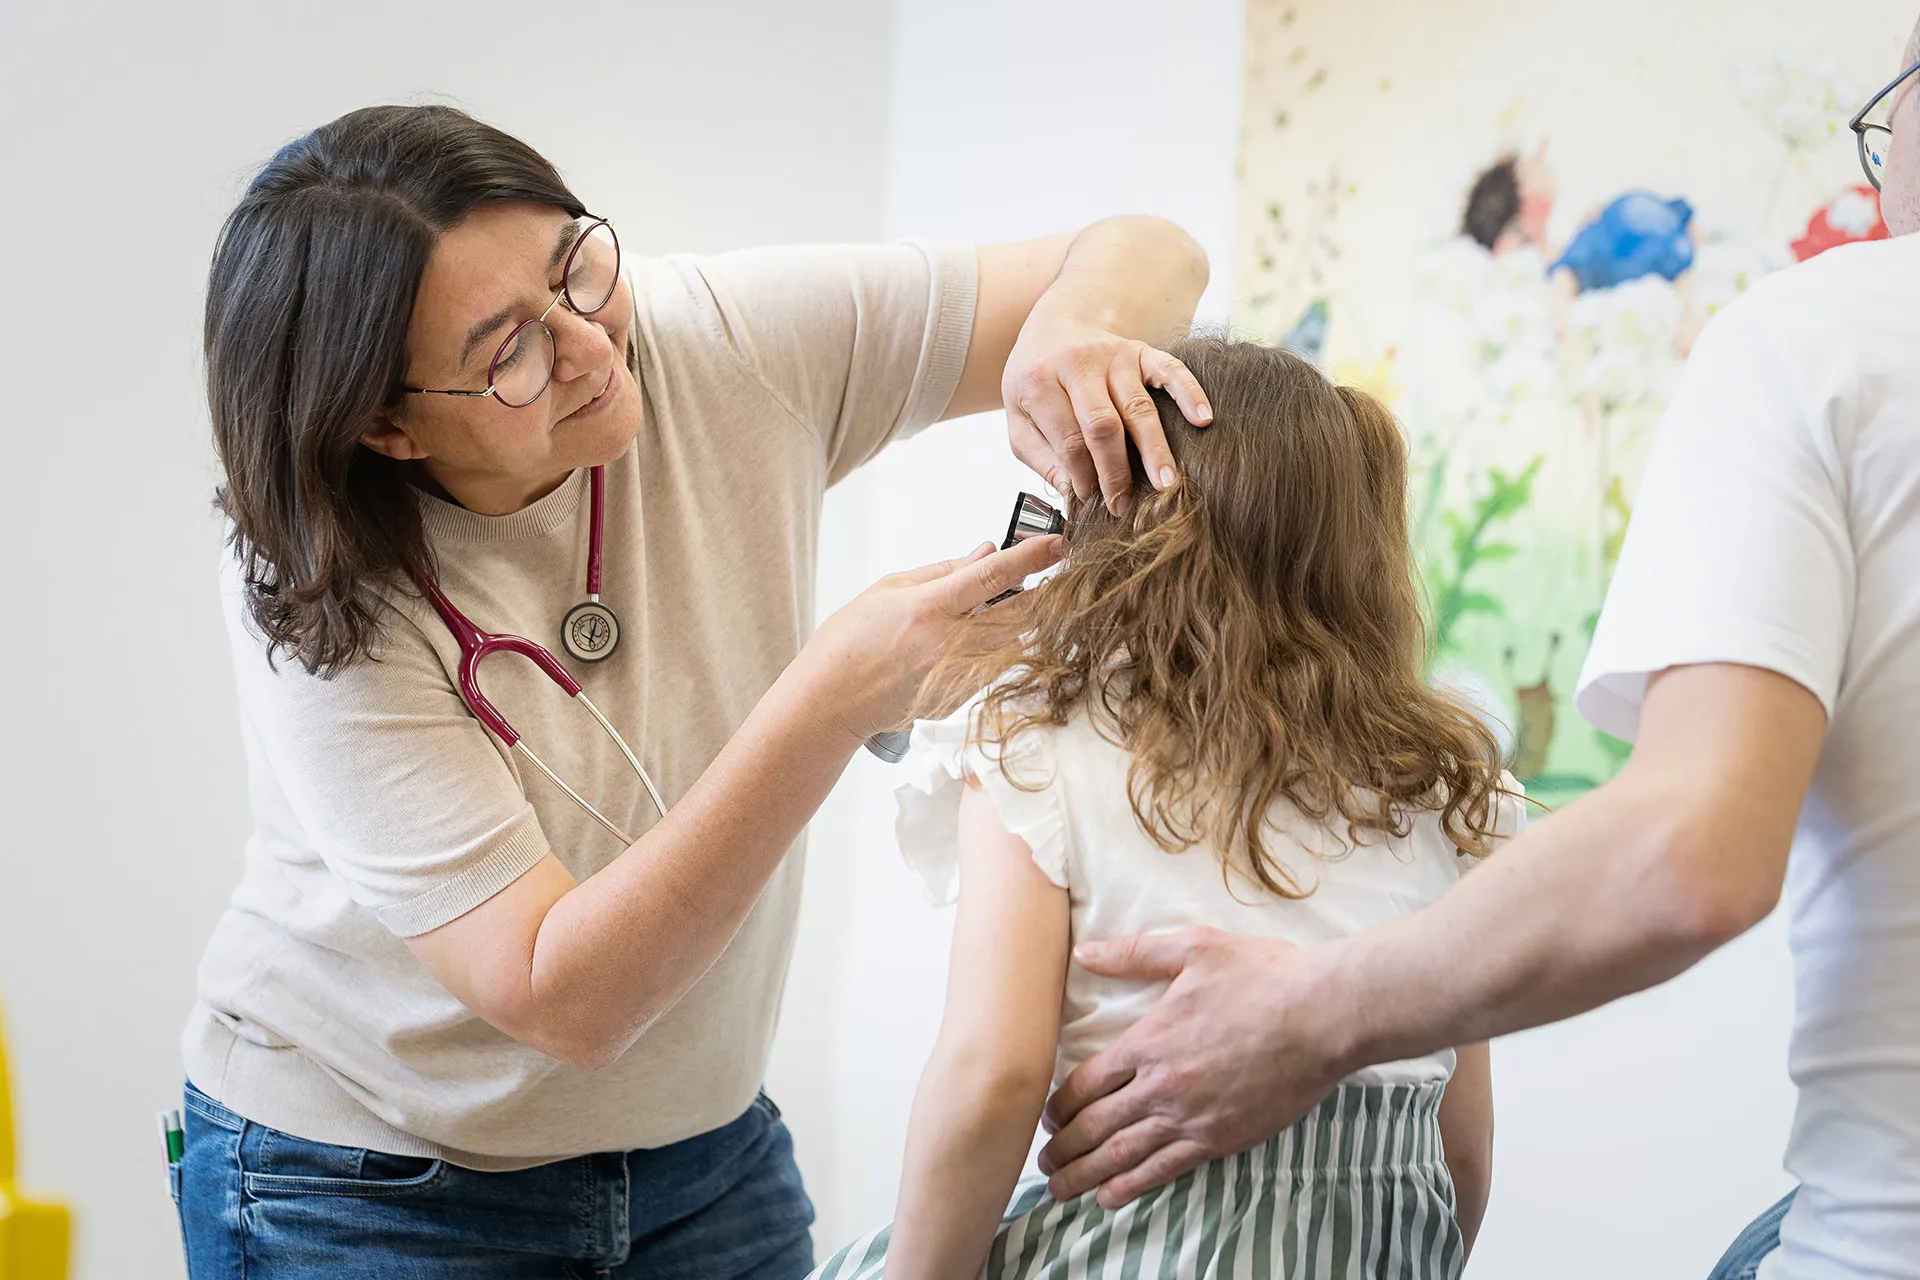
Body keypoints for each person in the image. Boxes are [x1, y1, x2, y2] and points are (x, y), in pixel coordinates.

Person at [175, 102, 1210, 1278]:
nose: (592, 344)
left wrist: (1070, 332)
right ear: (386, 426)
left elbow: (1151, 248)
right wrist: (832, 697)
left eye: (577, 264)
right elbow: (565, 999)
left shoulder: (716, 338)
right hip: (373, 1181)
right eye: (507, 350)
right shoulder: (310, 585)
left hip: (703, 1152)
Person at [1036, 22, 1920, 1280]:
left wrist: (1302, 1016)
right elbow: (1463, 1170)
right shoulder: (1447, 783)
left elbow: (984, 1086)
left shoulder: (1815, 340)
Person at [811, 339, 1526, 1280]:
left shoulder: (1036, 747)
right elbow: (1461, 1147)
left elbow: (993, 1081)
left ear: (1109, 526)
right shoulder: (1445, 786)